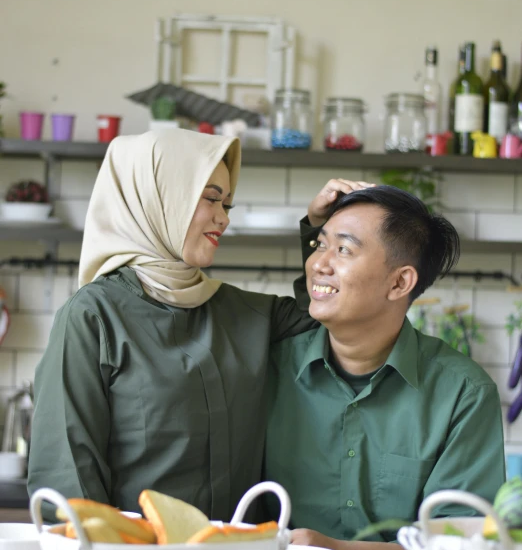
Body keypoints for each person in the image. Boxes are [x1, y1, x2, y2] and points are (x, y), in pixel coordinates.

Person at [27, 128, 367, 520]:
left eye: (228, 205)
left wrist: (319, 232)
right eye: (211, 200)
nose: (223, 219)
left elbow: (330, 323)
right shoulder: (93, 316)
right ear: (160, 198)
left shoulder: (246, 313)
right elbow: (67, 472)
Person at [264, 185, 505, 550]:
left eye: (343, 249)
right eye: (320, 245)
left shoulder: (464, 393)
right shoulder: (264, 369)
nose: (318, 264)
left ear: (399, 282)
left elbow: (459, 543)